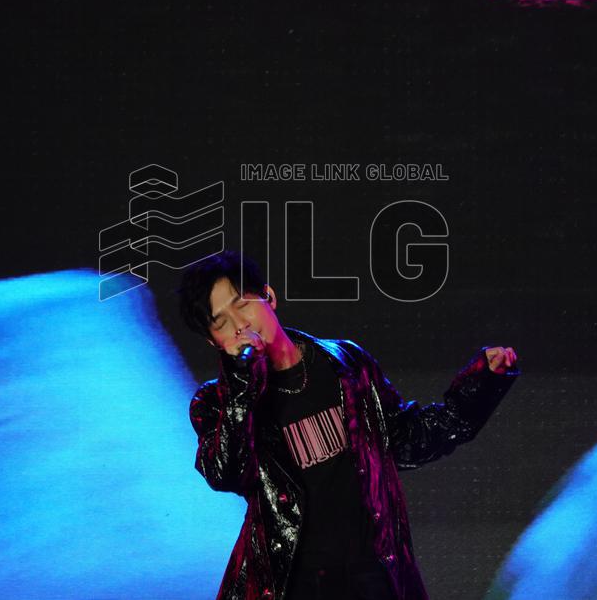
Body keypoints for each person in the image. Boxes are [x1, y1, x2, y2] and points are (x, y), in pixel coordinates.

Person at [178, 250, 519, 600]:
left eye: (242, 304)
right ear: (213, 341)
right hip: (292, 588)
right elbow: (227, 473)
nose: (239, 325)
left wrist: (481, 384)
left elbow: (408, 439)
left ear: (269, 296)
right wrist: (241, 387)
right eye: (221, 323)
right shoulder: (216, 404)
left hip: (372, 579)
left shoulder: (346, 364)